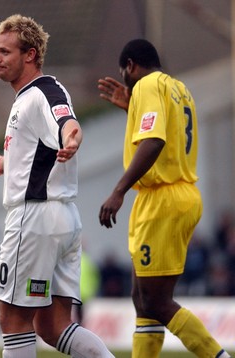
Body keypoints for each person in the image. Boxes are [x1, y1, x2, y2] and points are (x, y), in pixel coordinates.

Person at [0, 14, 114, 358]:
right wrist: (6, 164)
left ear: (30, 54)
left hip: (34, 220)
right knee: (54, 327)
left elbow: (67, 123)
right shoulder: (27, 98)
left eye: (5, 51)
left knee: (12, 319)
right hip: (62, 220)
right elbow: (40, 151)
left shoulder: (43, 92)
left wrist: (72, 137)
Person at [98, 39, 231, 358]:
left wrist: (119, 190)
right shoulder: (178, 88)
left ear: (130, 65)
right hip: (180, 194)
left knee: (156, 302)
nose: (127, 83)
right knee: (143, 300)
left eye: (124, 74)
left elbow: (155, 139)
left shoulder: (146, 85)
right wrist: (133, 108)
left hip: (162, 198)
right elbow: (169, 132)